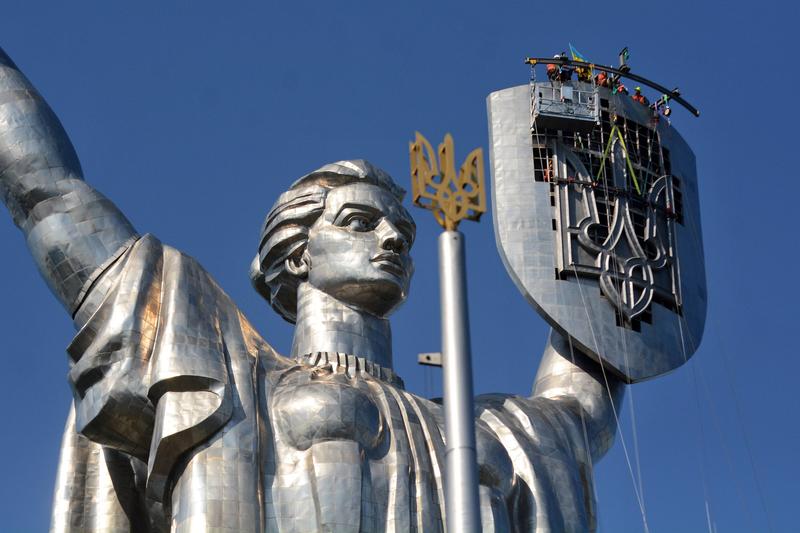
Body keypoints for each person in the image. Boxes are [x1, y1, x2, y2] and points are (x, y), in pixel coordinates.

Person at [1, 45, 623, 532]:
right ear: (296, 254)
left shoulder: (484, 425)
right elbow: (51, 196)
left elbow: (583, 401)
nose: (393, 239)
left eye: (402, 229)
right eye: (359, 222)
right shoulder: (227, 371)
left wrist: (619, 223)